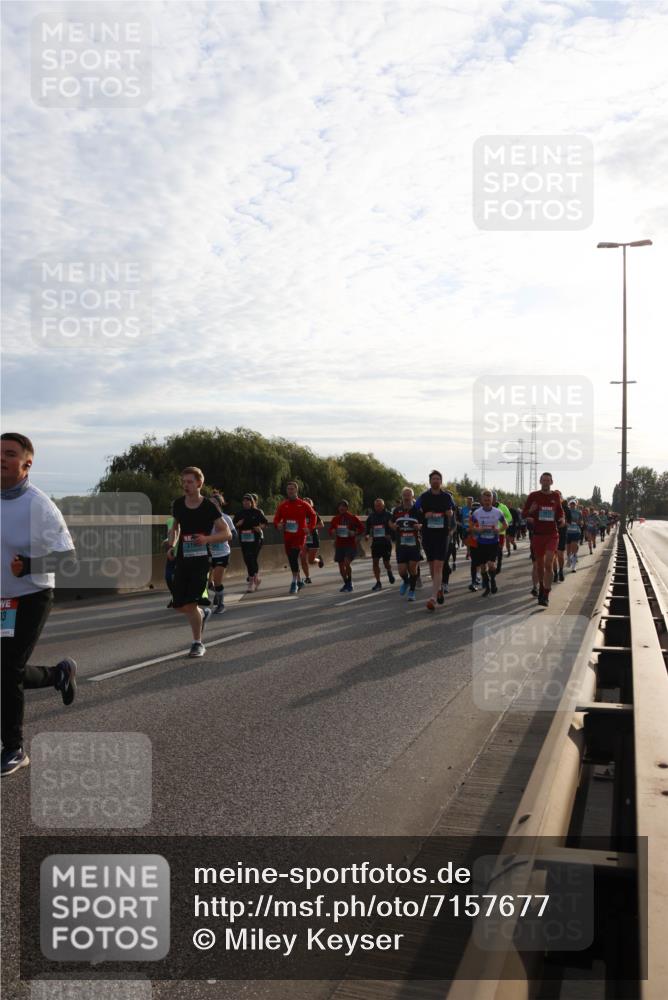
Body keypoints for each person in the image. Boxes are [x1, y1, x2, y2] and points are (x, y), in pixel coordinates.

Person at [1, 433, 78, 776]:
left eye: (9, 453)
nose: (1, 458)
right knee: (6, 670)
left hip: (31, 595)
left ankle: (14, 748)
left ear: (27, 463)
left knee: (7, 668)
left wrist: (30, 566)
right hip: (2, 597)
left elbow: (68, 559)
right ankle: (58, 674)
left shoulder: (39, 505)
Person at [167, 467, 231, 656]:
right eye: (184, 481)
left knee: (192, 603)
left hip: (202, 559)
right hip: (182, 559)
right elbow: (175, 528)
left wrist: (207, 539)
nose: (185, 485)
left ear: (199, 484)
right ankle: (202, 615)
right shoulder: (178, 504)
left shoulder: (208, 507)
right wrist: (172, 545)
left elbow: (226, 533)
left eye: (189, 482)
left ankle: (197, 643)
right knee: (179, 605)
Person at [521, 472, 565, 607]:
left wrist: (562, 519)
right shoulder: (533, 496)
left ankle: (546, 593)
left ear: (552, 482)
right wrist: (530, 512)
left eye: (548, 480)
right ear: (540, 481)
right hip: (538, 535)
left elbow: (560, 512)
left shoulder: (555, 496)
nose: (546, 482)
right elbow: (523, 514)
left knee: (548, 563)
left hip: (552, 534)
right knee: (539, 566)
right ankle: (541, 586)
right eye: (543, 480)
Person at [415, 471, 455, 611]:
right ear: (430, 481)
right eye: (434, 479)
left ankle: (432, 598)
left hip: (442, 534)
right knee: (432, 567)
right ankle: (438, 589)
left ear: (441, 481)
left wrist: (450, 513)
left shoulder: (447, 497)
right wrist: (424, 515)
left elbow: (452, 510)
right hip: (428, 534)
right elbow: (416, 511)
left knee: (438, 566)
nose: (436, 481)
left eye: (438, 478)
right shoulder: (424, 497)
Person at [273, 481, 317, 594]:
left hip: (300, 536)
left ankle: (294, 583)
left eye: (292, 489)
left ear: (296, 491)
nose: (290, 491)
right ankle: (299, 580)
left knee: (293, 555)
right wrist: (278, 524)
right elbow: (276, 518)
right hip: (288, 536)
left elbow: (313, 516)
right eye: (288, 489)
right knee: (291, 558)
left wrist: (310, 527)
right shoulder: (283, 505)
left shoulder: (303, 504)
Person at [470, 490, 507, 595]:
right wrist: (477, 530)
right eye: (485, 500)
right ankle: (487, 587)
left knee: (491, 564)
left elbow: (505, 525)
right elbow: (471, 526)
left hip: (493, 542)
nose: (487, 501)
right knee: (482, 567)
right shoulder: (477, 512)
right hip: (481, 543)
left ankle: (493, 581)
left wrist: (498, 530)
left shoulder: (497, 512)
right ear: (482, 500)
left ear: (492, 500)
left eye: (489, 499)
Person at [390, 488, 422, 602]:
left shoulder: (417, 510)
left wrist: (420, 526)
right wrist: (393, 526)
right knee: (402, 571)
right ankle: (406, 581)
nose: (407, 497)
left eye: (409, 495)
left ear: (412, 497)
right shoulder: (396, 510)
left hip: (414, 544)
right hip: (401, 545)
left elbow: (424, 522)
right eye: (404, 495)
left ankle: (412, 591)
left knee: (413, 568)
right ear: (402, 496)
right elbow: (390, 521)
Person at [207, 490, 237, 613]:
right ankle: (218, 594)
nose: (211, 505)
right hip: (209, 553)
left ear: (219, 504)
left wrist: (221, 538)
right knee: (209, 583)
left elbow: (234, 535)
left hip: (222, 553)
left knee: (218, 581)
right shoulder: (205, 518)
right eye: (209, 503)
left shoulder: (225, 518)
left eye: (214, 503)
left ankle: (221, 604)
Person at [233, 494, 268, 592]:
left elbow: (265, 523)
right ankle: (256, 578)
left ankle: (251, 582)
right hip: (244, 539)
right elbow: (233, 525)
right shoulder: (239, 513)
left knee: (251, 557)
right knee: (247, 559)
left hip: (256, 538)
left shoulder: (257, 512)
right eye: (244, 501)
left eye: (248, 501)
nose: (245, 503)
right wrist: (237, 524)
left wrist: (260, 527)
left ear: (252, 502)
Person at [328, 500, 365, 592]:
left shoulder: (352, 518)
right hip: (339, 545)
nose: (342, 508)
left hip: (350, 545)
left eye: (344, 506)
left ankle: (350, 581)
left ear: (347, 508)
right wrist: (332, 531)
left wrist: (355, 532)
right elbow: (330, 529)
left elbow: (362, 528)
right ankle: (346, 583)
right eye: (340, 506)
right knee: (341, 568)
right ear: (338, 508)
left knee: (346, 562)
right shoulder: (335, 519)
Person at [365, 498, 395, 590]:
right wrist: (366, 535)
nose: (377, 507)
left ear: (383, 506)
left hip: (385, 543)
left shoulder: (389, 515)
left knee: (386, 563)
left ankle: (389, 571)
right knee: (375, 562)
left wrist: (390, 536)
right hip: (376, 543)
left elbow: (394, 527)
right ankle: (378, 582)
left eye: (379, 505)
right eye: (376, 506)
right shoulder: (372, 516)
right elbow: (367, 527)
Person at [300, 498, 325, 583]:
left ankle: (319, 560)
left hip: (313, 538)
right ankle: (308, 577)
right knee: (302, 558)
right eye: (304, 502)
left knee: (311, 561)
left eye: (308, 502)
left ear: (311, 505)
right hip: (303, 538)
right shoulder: (299, 514)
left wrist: (311, 527)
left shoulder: (314, 514)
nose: (306, 503)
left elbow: (321, 525)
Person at [565, 499, 583, 571]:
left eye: (574, 504)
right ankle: (569, 559)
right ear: (569, 505)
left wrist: (580, 523)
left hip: (576, 531)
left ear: (576, 505)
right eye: (571, 504)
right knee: (568, 550)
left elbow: (581, 521)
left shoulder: (579, 512)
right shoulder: (566, 511)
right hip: (567, 532)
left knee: (574, 549)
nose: (572, 505)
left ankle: (574, 566)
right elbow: (564, 520)